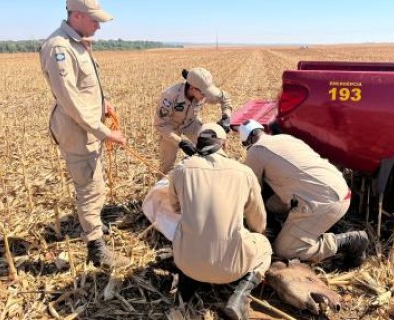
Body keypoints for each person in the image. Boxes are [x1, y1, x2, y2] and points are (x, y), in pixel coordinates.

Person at [40, 0, 129, 268]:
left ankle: (95, 228)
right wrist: (105, 132)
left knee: (95, 183)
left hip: (87, 128)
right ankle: (96, 249)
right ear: (77, 16)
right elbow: (71, 102)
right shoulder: (60, 48)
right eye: (94, 20)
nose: (98, 26)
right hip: (78, 132)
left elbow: (84, 88)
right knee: (89, 187)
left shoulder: (79, 42)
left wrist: (104, 105)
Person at [168, 123, 272, 320]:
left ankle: (187, 288)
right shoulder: (244, 173)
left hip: (186, 264)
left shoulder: (180, 170)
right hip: (231, 270)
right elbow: (258, 222)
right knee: (265, 247)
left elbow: (174, 208)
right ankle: (239, 296)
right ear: (224, 145)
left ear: (198, 143)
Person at [239, 119, 369, 267]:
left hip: (324, 203)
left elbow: (250, 193)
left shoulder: (255, 152)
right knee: (272, 204)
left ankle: (351, 241)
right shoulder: (285, 139)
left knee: (284, 250)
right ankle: (298, 229)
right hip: (340, 189)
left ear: (247, 142)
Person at [154, 68, 233, 174]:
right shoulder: (170, 96)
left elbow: (225, 98)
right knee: (167, 165)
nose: (206, 96)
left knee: (214, 144)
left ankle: (215, 174)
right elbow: (160, 125)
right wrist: (180, 142)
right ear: (193, 88)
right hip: (170, 127)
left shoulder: (204, 91)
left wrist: (226, 117)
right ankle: (165, 186)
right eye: (203, 94)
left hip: (191, 123)